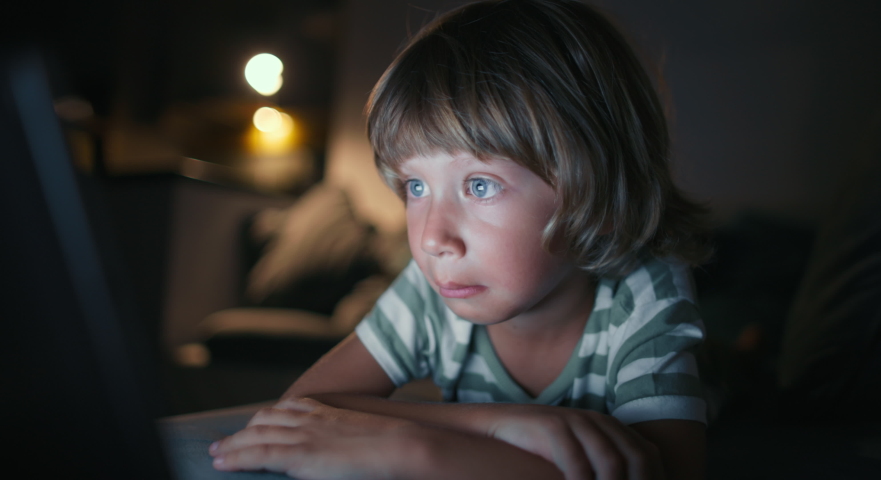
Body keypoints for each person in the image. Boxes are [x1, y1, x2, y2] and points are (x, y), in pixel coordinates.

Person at [207, 1, 712, 478]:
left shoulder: (643, 289)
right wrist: (498, 424)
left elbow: (666, 472)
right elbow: (302, 411)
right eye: (416, 187)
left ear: (601, 194)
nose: (431, 239)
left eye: (480, 185)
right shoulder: (433, 292)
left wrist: (419, 451)